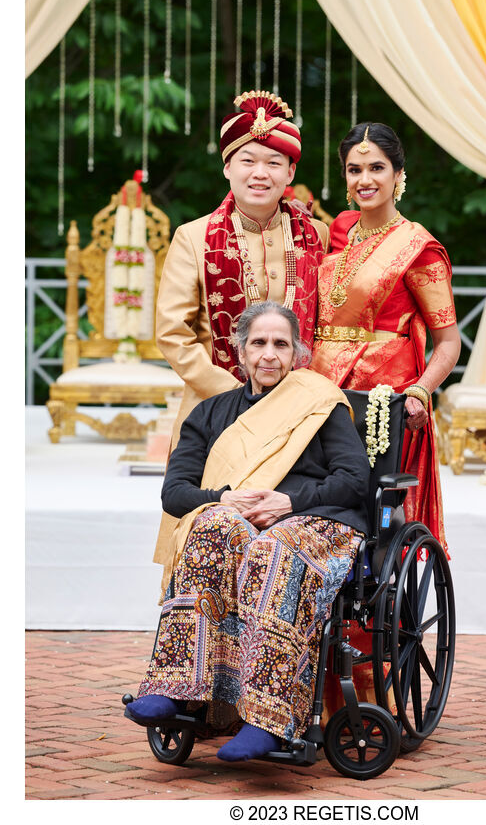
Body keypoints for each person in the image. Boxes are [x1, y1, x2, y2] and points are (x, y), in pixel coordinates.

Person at [126, 303, 370, 762]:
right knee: (212, 526)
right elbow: (175, 493)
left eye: (281, 344)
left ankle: (268, 719)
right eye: (259, 343)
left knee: (272, 550)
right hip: (241, 519)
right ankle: (179, 690)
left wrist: (291, 502)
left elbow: (355, 480)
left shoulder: (319, 404)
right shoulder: (211, 413)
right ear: (239, 352)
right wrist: (221, 497)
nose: (269, 355)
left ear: (298, 352)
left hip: (318, 523)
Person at [153, 90, 329, 579]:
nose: (260, 173)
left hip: (298, 409)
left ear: (290, 174)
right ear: (227, 167)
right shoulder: (194, 236)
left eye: (275, 162)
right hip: (218, 406)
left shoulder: (318, 235)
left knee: (284, 522)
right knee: (206, 526)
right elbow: (172, 331)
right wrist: (232, 393)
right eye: (247, 159)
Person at [310, 122, 461, 554]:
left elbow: (449, 343)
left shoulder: (418, 248)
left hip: (380, 400)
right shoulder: (339, 230)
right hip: (321, 387)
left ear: (399, 175)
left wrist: (421, 390)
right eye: (354, 169)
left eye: (377, 167)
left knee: (366, 509)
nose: (365, 180)